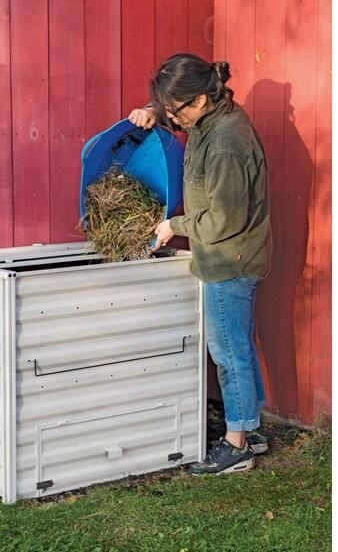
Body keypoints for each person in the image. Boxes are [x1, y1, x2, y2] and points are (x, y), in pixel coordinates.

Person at [128, 53, 273, 474]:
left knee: (227, 352)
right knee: (238, 344)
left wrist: (175, 224)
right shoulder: (209, 116)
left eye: (175, 110)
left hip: (229, 258)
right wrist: (153, 112)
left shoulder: (226, 141)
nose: (174, 118)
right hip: (229, 255)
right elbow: (176, 115)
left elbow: (223, 219)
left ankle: (237, 445)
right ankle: (249, 428)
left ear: (199, 99)